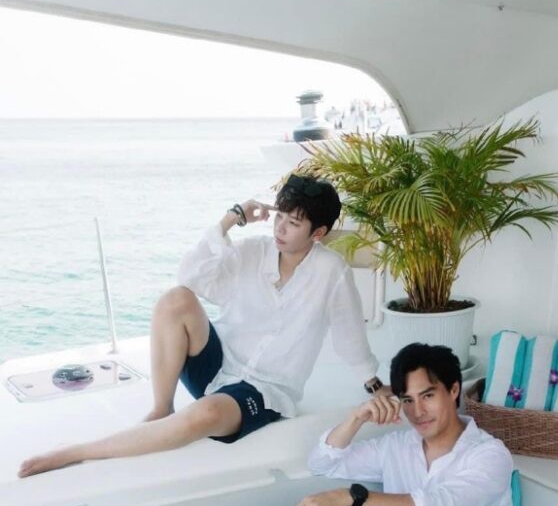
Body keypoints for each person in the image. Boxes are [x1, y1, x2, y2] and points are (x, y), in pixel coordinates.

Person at [19, 174, 389, 477]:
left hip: (265, 390)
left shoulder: (330, 272)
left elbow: (349, 333)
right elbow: (191, 276)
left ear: (317, 233)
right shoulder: (255, 251)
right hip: (218, 363)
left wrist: (374, 385)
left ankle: (78, 452)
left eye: (293, 224)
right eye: (280, 217)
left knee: (207, 414)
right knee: (176, 298)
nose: (280, 228)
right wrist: (231, 219)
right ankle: (162, 408)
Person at [284, 342, 514, 506]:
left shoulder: (490, 456)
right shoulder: (397, 446)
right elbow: (322, 463)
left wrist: (351, 497)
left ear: (453, 390)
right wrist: (356, 418)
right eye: (408, 400)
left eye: (428, 396)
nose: (418, 412)